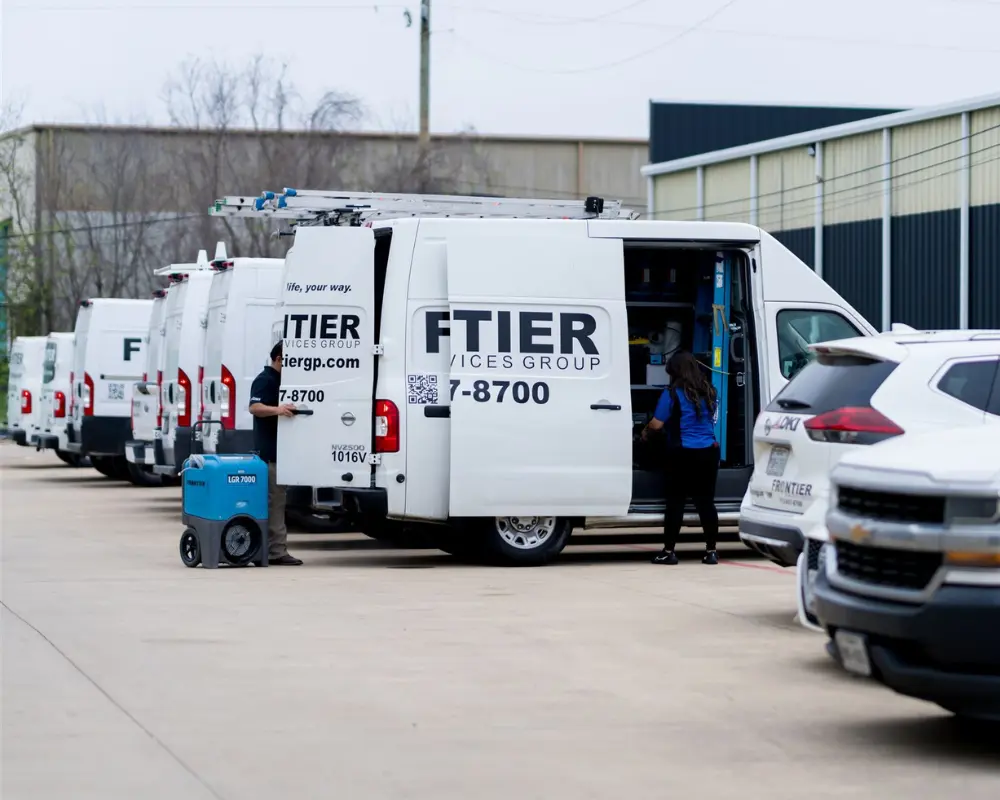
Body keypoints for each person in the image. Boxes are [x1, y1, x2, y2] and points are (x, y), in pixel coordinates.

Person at [641, 351, 720, 566]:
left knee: (676, 503)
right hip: (709, 451)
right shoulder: (710, 391)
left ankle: (669, 552)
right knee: (706, 503)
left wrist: (644, 432)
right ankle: (711, 552)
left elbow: (657, 424)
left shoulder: (672, 393)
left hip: (682, 453)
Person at [249, 341, 303, 566]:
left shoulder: (281, 381)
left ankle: (274, 549)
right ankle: (276, 551)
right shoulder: (266, 379)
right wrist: (278, 410)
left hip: (279, 453)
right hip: (269, 455)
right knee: (275, 502)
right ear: (280, 358)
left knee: (277, 502)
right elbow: (254, 407)